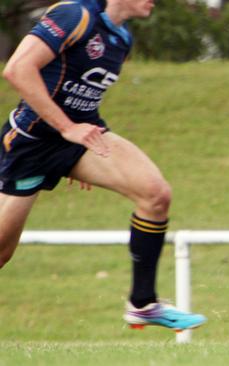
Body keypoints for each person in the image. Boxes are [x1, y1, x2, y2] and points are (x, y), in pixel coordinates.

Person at [0, 0, 206, 331]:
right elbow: (17, 69)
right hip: (28, 146)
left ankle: (142, 303)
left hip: (77, 137)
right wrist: (68, 129)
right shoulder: (74, 15)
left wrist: (83, 147)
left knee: (155, 195)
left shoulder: (122, 38)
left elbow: (85, 100)